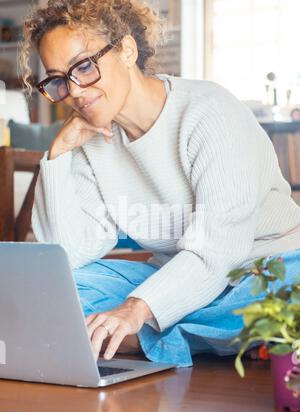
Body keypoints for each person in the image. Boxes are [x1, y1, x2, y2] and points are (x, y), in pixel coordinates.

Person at [20, 0, 300, 367]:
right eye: (58, 79)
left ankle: (146, 335)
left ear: (126, 50)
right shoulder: (90, 143)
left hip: (264, 269)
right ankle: (202, 335)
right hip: (173, 277)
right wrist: (57, 155)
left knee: (287, 297)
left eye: (84, 66)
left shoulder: (209, 112)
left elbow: (217, 254)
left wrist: (136, 308)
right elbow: (66, 254)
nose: (73, 91)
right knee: (52, 287)